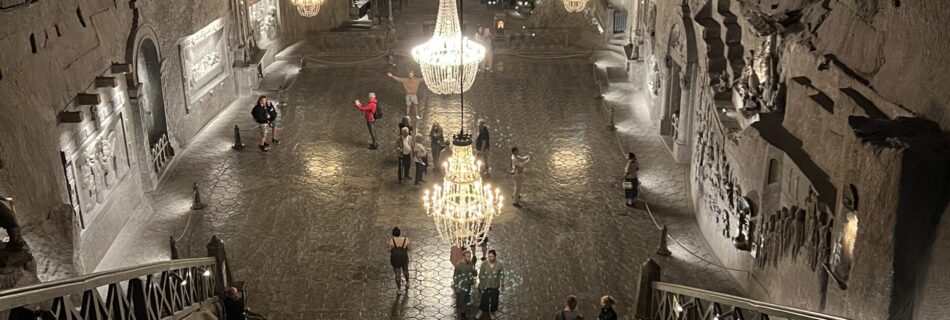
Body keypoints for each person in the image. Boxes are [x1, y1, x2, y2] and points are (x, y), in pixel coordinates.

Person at [476, 250, 504, 320]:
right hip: (486, 285)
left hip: (495, 285)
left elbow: (502, 274)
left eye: (491, 256)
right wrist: (481, 283)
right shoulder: (484, 264)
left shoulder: (499, 264)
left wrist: (502, 283)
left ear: (495, 256)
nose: (490, 258)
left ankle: (492, 312)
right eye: (489, 256)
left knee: (494, 300)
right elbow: (481, 274)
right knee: (484, 299)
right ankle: (481, 310)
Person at [453, 249, 478, 319]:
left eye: (470, 256)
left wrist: (474, 272)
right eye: (467, 256)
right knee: (460, 302)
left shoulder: (471, 263)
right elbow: (455, 277)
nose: (469, 258)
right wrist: (456, 287)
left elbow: (474, 273)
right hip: (461, 287)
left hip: (468, 285)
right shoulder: (458, 266)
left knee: (466, 300)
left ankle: (464, 314)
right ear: (463, 256)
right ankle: (459, 315)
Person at [388, 227, 412, 293]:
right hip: (404, 258)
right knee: (405, 270)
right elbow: (410, 249)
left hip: (395, 259)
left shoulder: (391, 241)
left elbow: (389, 250)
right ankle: (407, 283)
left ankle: (399, 289)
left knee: (397, 273)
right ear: (400, 233)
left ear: (393, 234)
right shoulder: (406, 239)